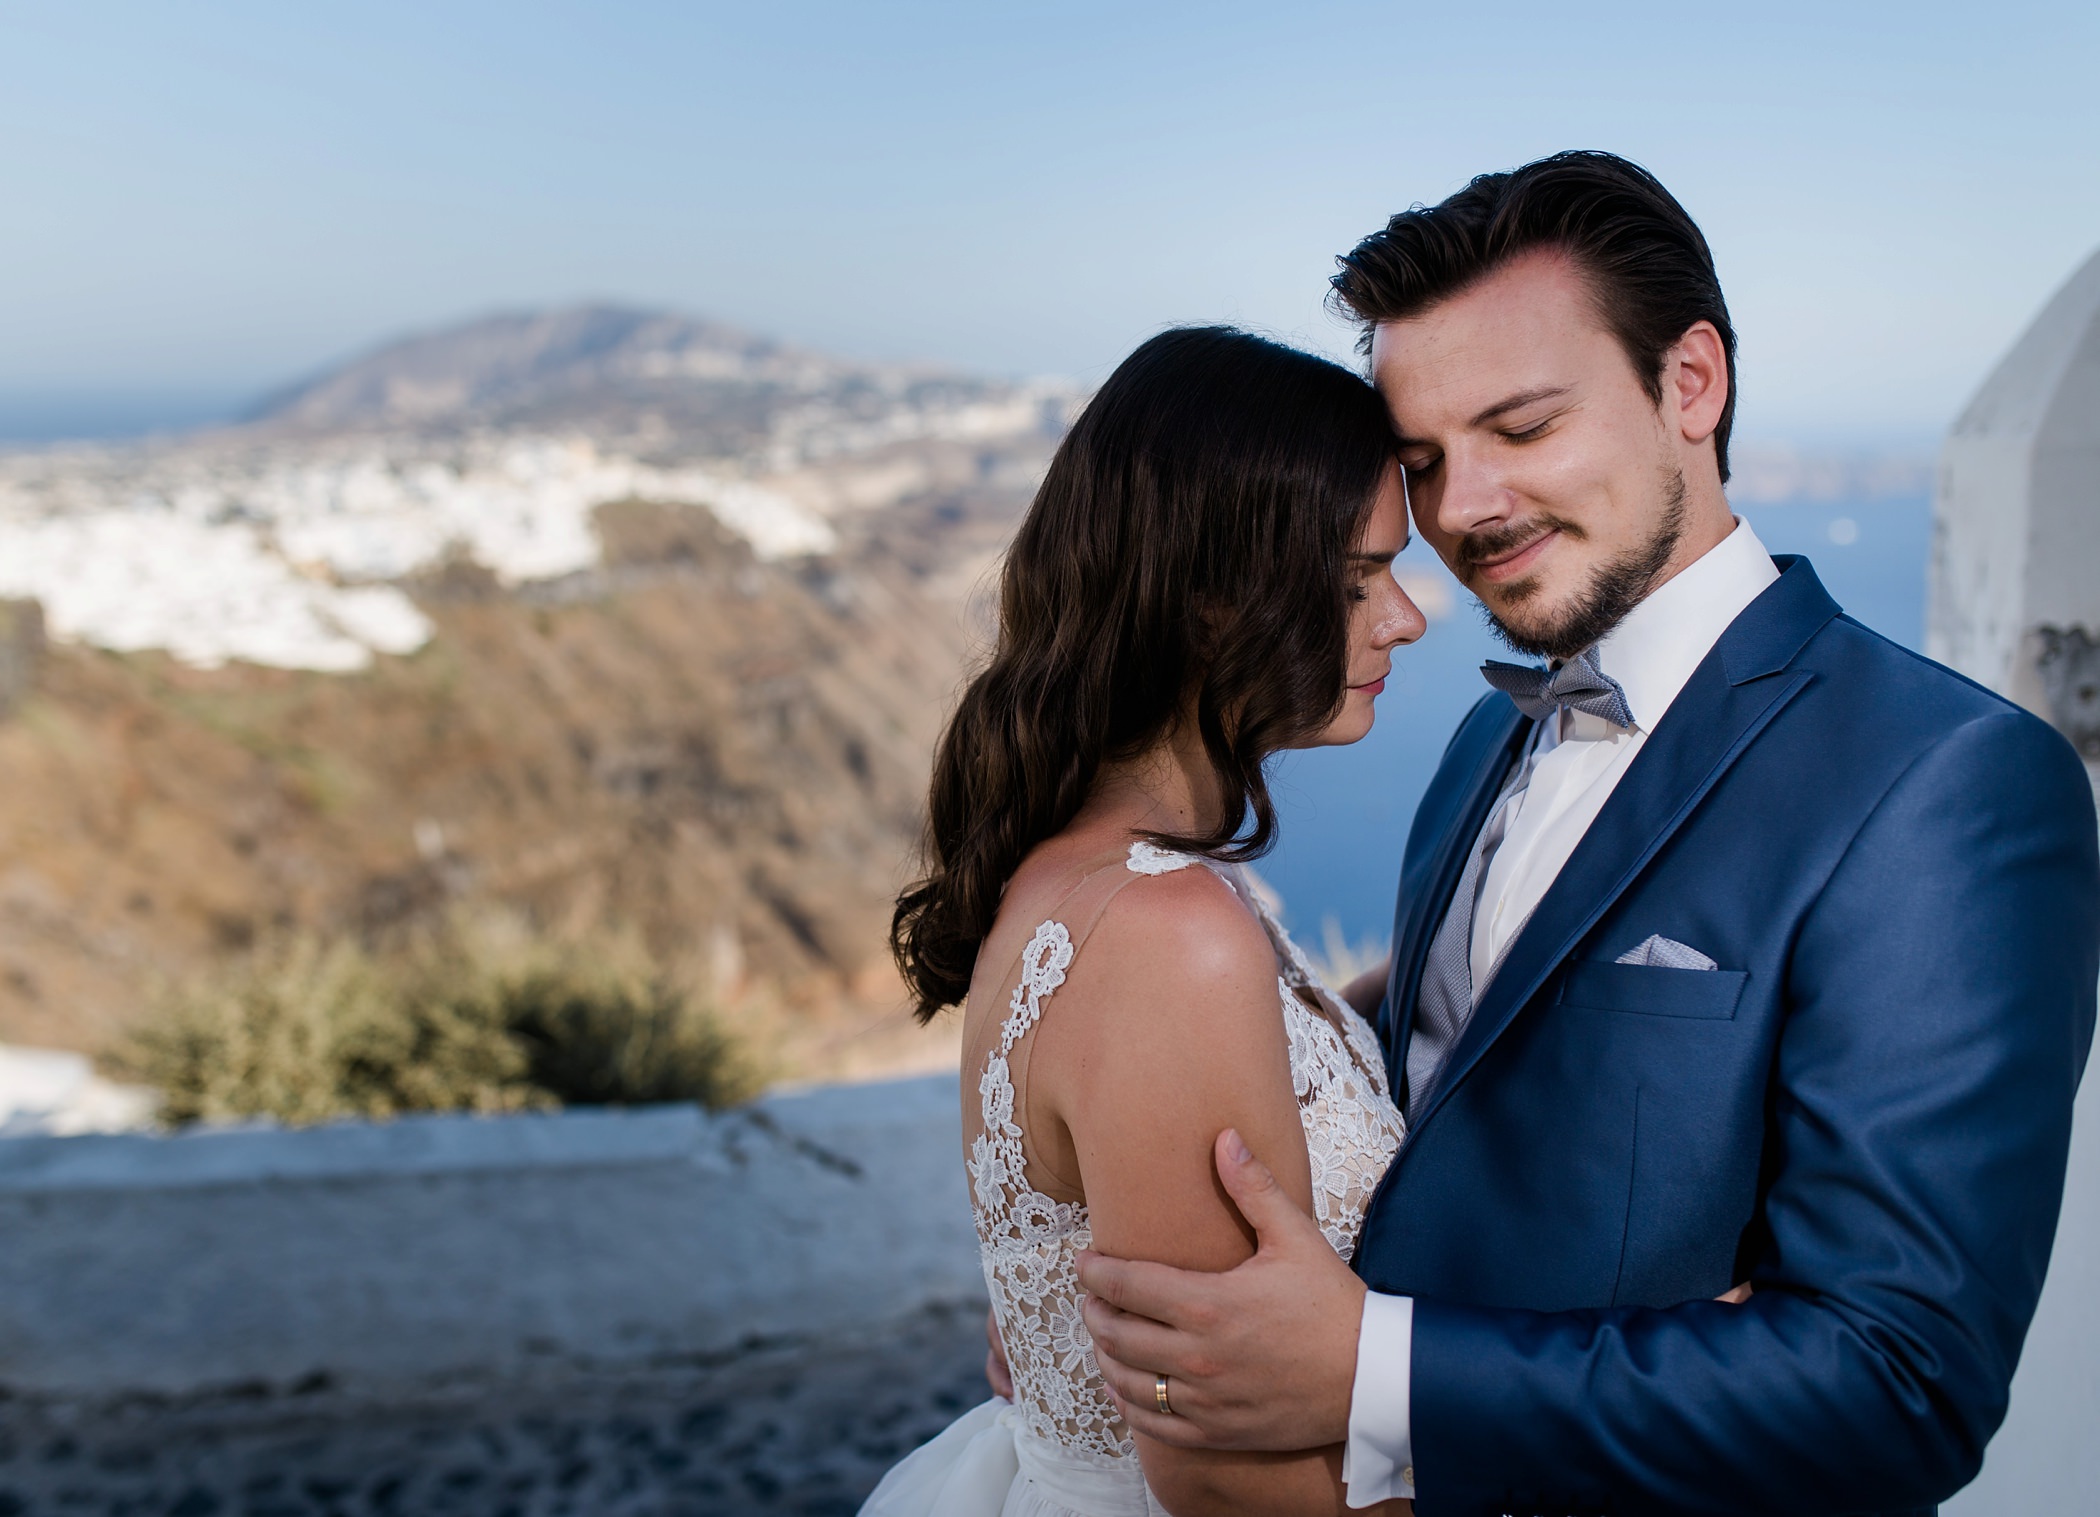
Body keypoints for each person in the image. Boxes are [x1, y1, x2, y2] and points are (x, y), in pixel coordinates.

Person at [1073, 151, 2100, 1515]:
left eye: (1523, 427)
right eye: (1426, 460)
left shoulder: (1949, 781)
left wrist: (1369, 1371)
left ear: (1692, 383)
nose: (1464, 510)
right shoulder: (1487, 736)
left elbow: (1901, 1380)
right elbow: (1460, 1077)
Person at [860, 324, 1426, 1516]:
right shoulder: (1168, 934)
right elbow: (1220, 1476)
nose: (1405, 615)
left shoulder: (1100, 874)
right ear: (1214, 604)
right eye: (1355, 578)